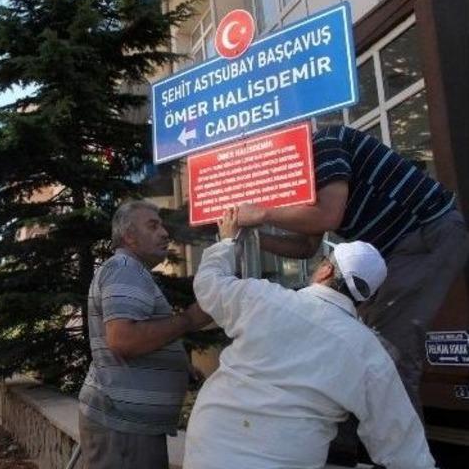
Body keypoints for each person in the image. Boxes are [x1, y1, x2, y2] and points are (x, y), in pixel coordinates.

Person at [237, 125, 469, 418]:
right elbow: (306, 247)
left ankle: (402, 445)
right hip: (399, 252)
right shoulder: (305, 179)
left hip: (426, 234)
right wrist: (249, 237)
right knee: (362, 341)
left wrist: (263, 213)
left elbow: (328, 215)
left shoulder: (323, 144)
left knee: (387, 350)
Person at [183, 207, 436, 469]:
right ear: (365, 297)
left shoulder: (265, 299)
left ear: (325, 270)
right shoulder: (368, 353)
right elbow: (404, 447)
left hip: (210, 451)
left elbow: (209, 284)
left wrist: (227, 242)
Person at [78, 200, 212, 469]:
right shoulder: (124, 268)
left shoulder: (129, 270)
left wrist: (179, 365)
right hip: (124, 427)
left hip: (127, 426)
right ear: (130, 236)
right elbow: (123, 340)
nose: (164, 233)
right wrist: (189, 319)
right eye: (153, 226)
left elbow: (132, 334)